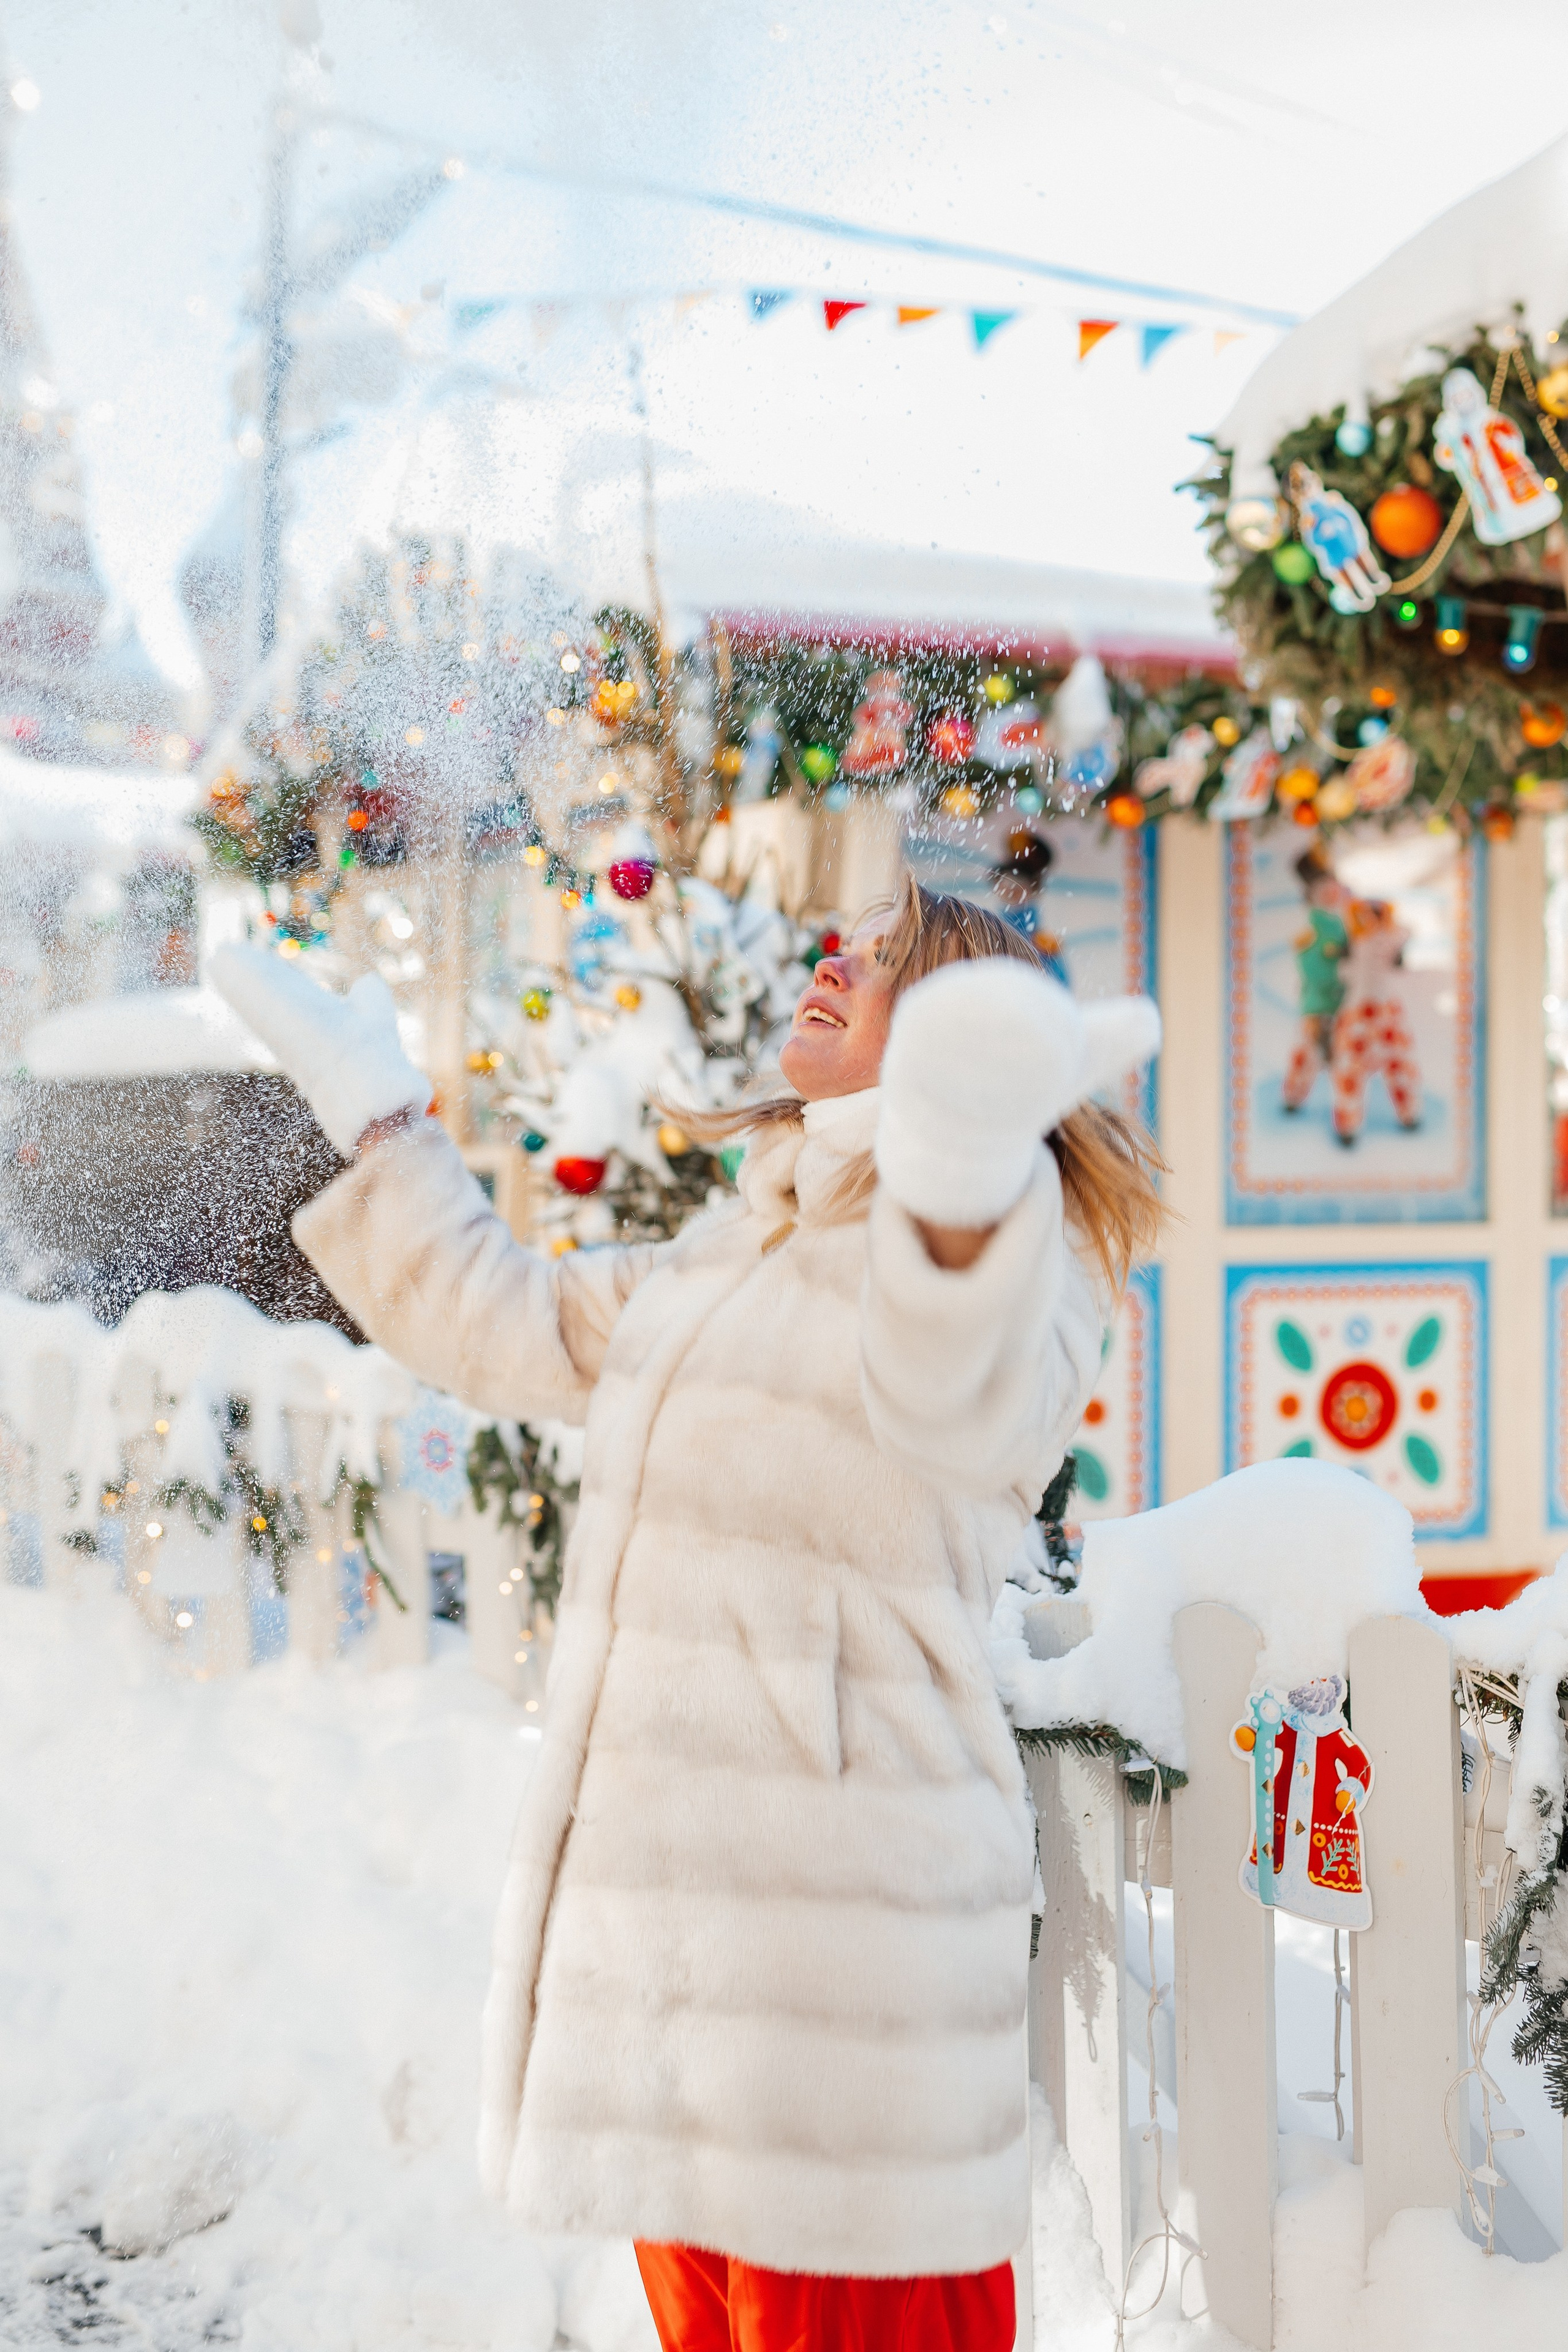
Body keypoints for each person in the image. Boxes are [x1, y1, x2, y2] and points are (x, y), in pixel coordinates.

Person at [212, 876, 1163, 2352]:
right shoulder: (740, 1251)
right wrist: (378, 1111)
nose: (834, 961)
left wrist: (964, 1161)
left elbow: (952, 1378)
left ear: (976, 1046)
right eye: (845, 939)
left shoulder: (1010, 1260)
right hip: (674, 1984)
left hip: (840, 2012)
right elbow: (500, 1315)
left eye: (892, 960)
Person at [1327, 895, 1422, 1146]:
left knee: (1378, 1064)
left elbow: (1345, 971)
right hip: (1370, 1010)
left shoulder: (1382, 937)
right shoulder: (1370, 937)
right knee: (1367, 1066)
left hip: (1372, 1010)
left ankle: (1404, 1115)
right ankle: (1402, 1116)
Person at [1280, 845, 1349, 1117]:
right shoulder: (1310, 925)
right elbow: (1308, 961)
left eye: (1333, 886)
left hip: (1341, 999)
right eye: (1323, 889)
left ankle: (1344, 1112)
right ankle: (1293, 1097)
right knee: (1309, 1050)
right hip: (1318, 1000)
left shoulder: (1342, 922)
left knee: (1342, 1053)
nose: (1332, 893)